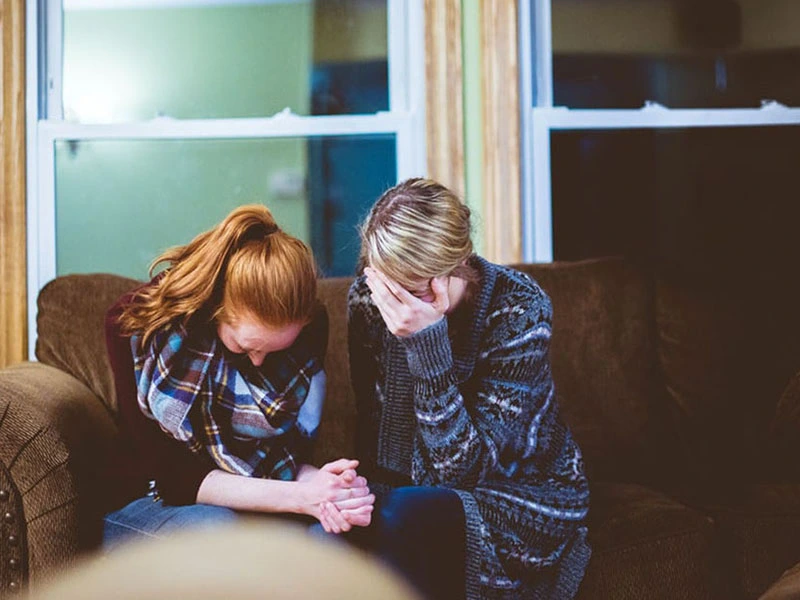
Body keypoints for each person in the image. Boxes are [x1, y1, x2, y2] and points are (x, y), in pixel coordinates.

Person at [346, 178, 591, 599]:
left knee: (407, 515)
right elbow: (378, 439)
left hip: (520, 492)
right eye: (385, 284)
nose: (394, 303)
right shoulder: (370, 301)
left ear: (454, 266)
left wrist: (427, 344)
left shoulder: (519, 309)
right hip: (410, 491)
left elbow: (461, 473)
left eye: (412, 288)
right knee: (338, 529)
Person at [103, 205, 374, 548]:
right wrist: (302, 498)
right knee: (220, 532)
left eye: (273, 351)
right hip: (152, 501)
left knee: (334, 538)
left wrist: (326, 486)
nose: (260, 363)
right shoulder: (135, 326)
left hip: (256, 499)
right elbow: (174, 479)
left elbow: (286, 458)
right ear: (215, 309)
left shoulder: (309, 330)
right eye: (246, 347)